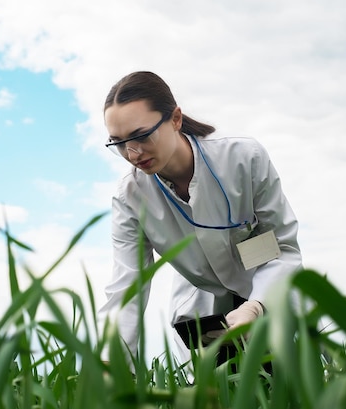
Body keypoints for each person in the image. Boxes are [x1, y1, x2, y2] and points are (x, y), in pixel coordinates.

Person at [98, 71, 303, 362]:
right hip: (205, 314)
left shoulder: (243, 159)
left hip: (268, 291)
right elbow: (127, 289)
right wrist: (112, 367)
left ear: (175, 119)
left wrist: (256, 306)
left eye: (141, 136)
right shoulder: (130, 198)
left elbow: (282, 249)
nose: (133, 153)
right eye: (118, 143)